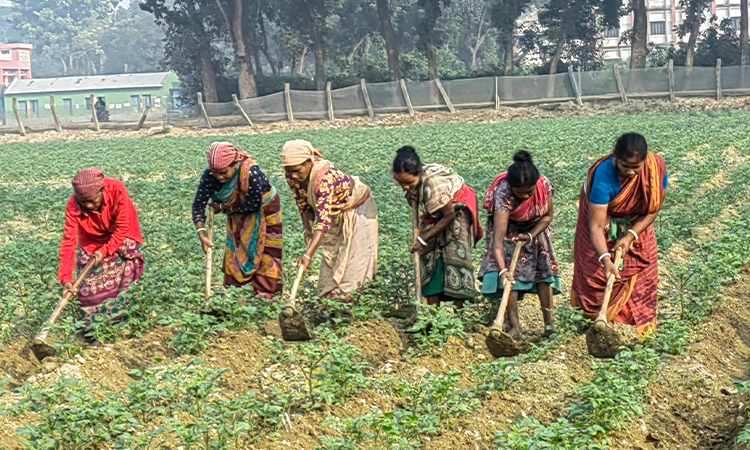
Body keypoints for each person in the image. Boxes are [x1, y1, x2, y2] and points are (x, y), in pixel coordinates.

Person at [571, 133, 668, 337]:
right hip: (600, 218)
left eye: (636, 167)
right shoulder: (604, 175)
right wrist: (606, 259)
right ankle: (595, 328)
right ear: (616, 158)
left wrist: (631, 235)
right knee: (595, 274)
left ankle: (644, 335)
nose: (631, 172)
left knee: (642, 275)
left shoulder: (654, 169)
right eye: (626, 167)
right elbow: (596, 226)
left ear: (645, 160)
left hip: (637, 221)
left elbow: (653, 209)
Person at [478, 151, 561, 338]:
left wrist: (531, 235)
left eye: (528, 192)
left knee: (544, 273)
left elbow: (547, 215)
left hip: (536, 228)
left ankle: (549, 325)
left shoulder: (544, 185)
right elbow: (498, 240)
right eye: (519, 192)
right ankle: (514, 326)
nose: (524, 196)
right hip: (508, 230)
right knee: (510, 277)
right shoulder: (504, 192)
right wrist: (502, 270)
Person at [282, 139, 378, 298]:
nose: (293, 175)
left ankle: (353, 301)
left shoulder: (324, 179)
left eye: (297, 170)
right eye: (288, 171)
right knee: (333, 258)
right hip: (335, 214)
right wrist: (307, 229)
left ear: (309, 163)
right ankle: (330, 301)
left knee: (354, 261)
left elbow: (323, 223)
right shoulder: (292, 178)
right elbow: (304, 207)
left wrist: (308, 255)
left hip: (358, 210)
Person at [392, 146, 483, 310]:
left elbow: (449, 215)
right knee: (428, 258)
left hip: (456, 210)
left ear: (419, 173)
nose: (405, 186)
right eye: (401, 183)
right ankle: (431, 314)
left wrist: (423, 238)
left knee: (455, 254)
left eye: (409, 183)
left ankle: (458, 316)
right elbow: (423, 200)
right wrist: (411, 193)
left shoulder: (433, 183)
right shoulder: (407, 177)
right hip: (437, 212)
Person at [193, 142, 283, 298]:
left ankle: (267, 295)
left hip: (265, 209)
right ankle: (236, 294)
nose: (220, 178)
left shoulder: (251, 173)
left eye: (223, 173)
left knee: (265, 248)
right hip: (237, 212)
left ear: (235, 164)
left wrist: (223, 207)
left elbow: (253, 206)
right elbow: (198, 205)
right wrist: (202, 234)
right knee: (236, 246)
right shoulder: (209, 176)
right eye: (216, 174)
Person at [59, 167, 144, 326]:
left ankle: (125, 322)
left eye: (92, 201)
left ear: (102, 191)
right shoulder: (73, 207)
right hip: (92, 240)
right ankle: (96, 327)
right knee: (87, 289)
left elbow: (121, 229)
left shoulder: (117, 190)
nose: (89, 206)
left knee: (127, 271)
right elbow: (69, 243)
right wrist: (66, 279)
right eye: (84, 202)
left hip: (123, 235)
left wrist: (105, 251)